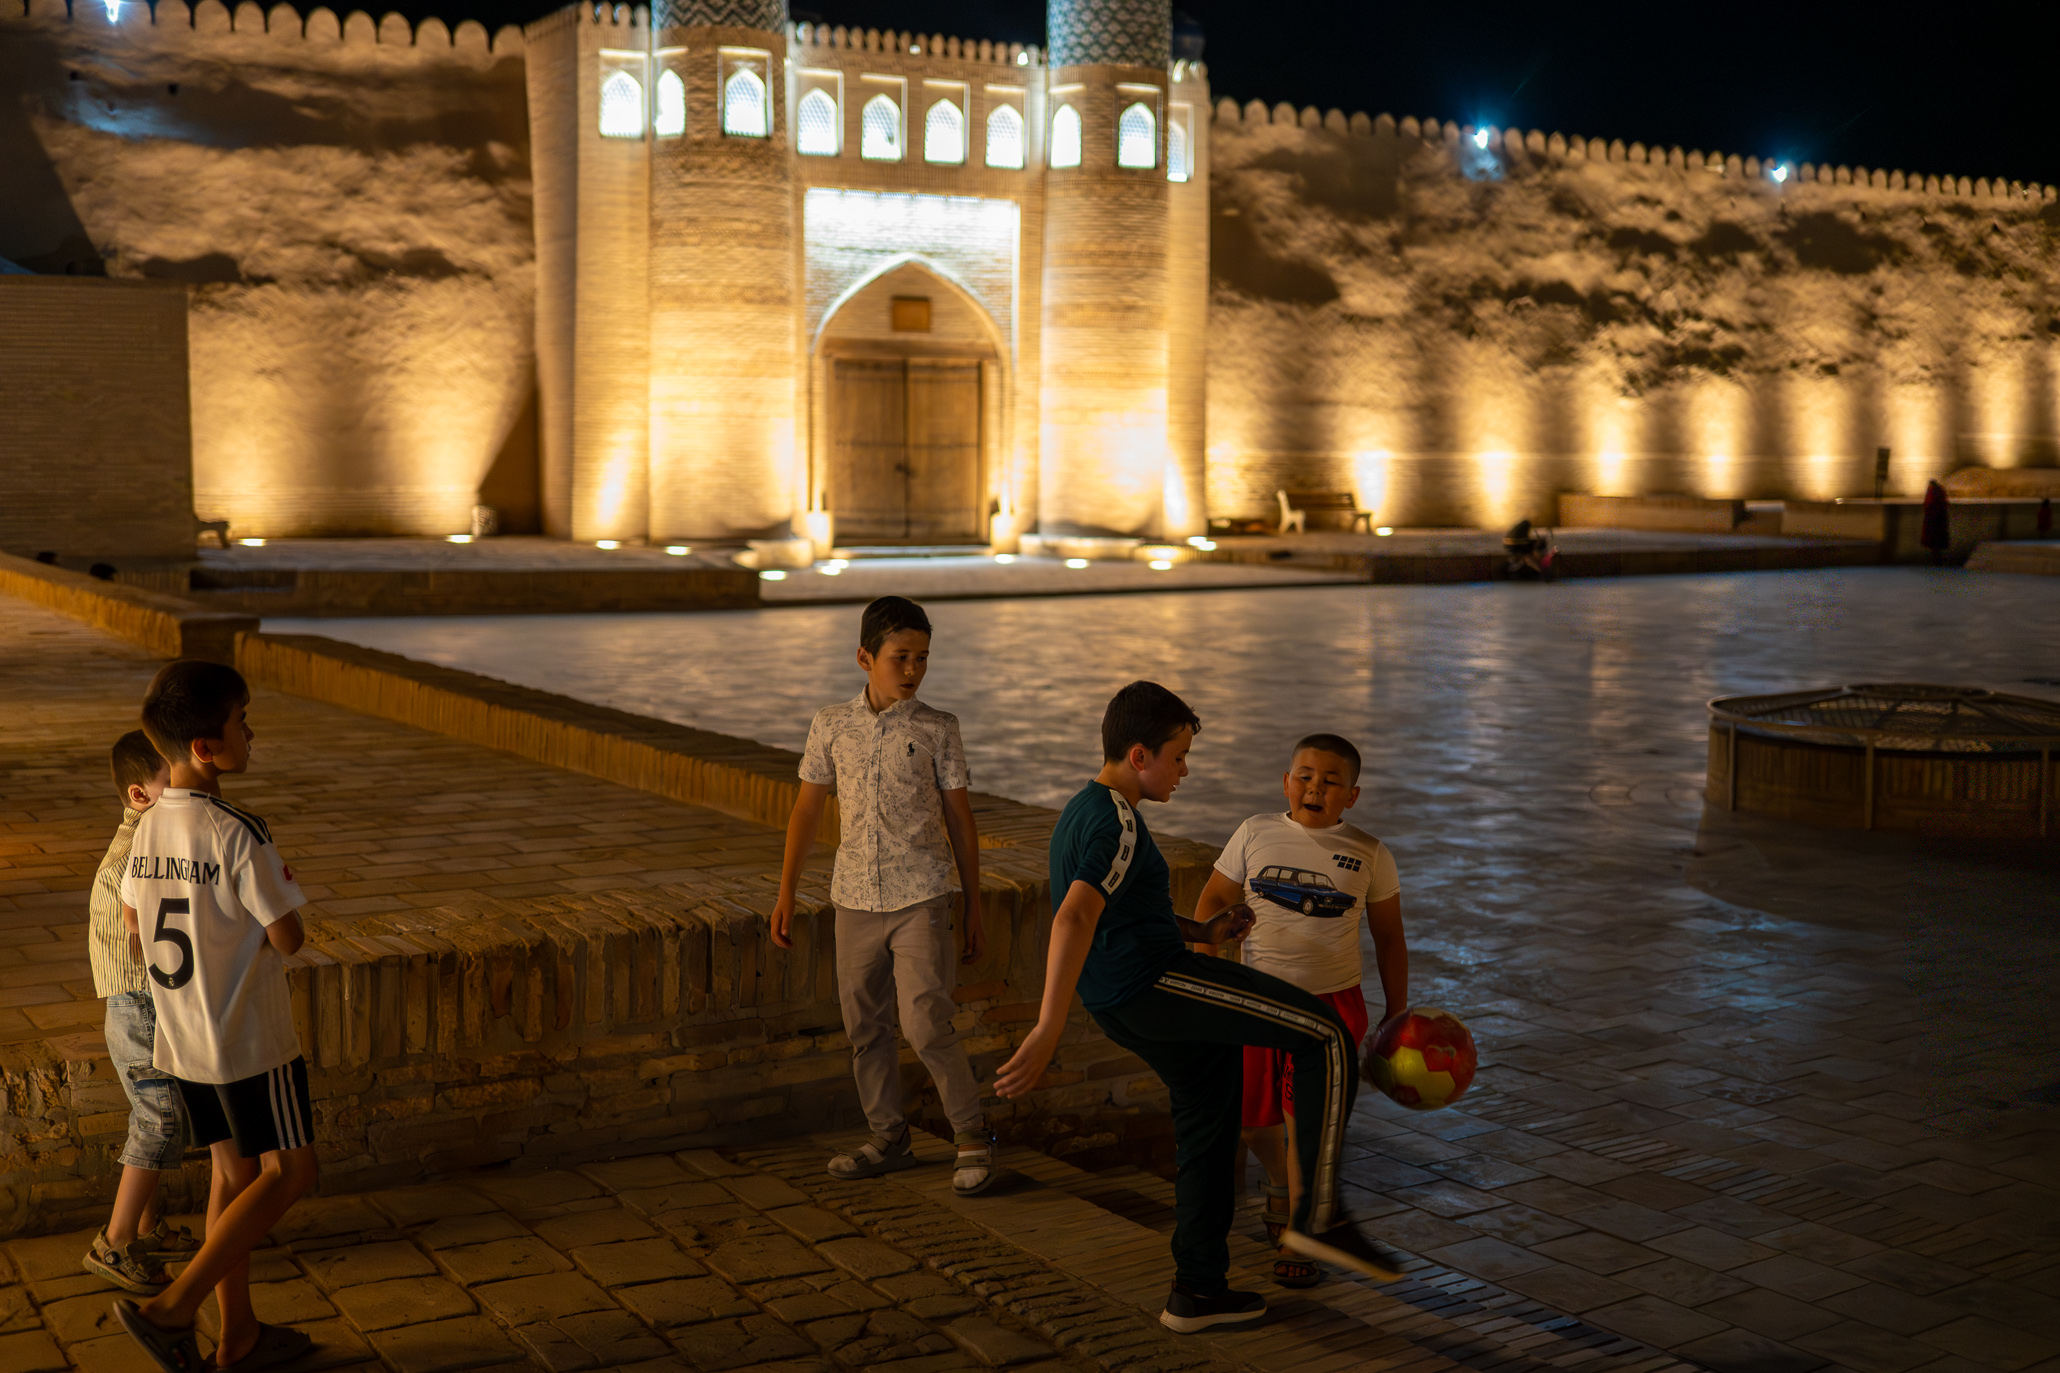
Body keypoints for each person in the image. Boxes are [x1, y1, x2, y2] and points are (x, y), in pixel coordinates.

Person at [995, 682, 1405, 1337]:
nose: (1186, 770)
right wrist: (1047, 1027)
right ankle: (1317, 1216)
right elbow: (1074, 914)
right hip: (1150, 986)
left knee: (1210, 1107)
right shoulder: (1118, 820)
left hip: (1130, 987)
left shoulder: (1083, 807)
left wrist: (1204, 932)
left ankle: (1199, 1289)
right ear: (1139, 754)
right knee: (1324, 1032)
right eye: (1179, 757)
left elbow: (1131, 909)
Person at [113, 661, 318, 1373]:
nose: (250, 733)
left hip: (185, 1039)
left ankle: (241, 1335)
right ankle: (173, 1308)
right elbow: (289, 935)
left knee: (230, 1179)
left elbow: (134, 917)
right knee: (292, 1171)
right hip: (250, 1039)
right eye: (242, 721)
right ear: (206, 745)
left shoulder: (148, 825)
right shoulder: (238, 830)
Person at [770, 596, 996, 1195]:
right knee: (864, 1027)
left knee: (926, 1024)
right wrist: (787, 892)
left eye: (923, 658)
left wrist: (972, 904)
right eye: (901, 657)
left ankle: (972, 1137)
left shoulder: (938, 728)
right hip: (852, 900)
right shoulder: (830, 725)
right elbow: (806, 809)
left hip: (922, 896)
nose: (914, 670)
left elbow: (961, 820)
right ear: (865, 658)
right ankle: (888, 1137)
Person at [1195, 733, 1407, 1288]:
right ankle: (1280, 1183)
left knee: (1306, 1122)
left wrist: (1397, 1015)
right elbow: (1214, 900)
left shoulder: (1369, 853)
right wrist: (1207, 965)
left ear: (1352, 796)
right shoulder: (1254, 832)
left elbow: (1390, 939)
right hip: (1256, 999)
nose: (1315, 786)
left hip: (1333, 1008)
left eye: (1331, 780)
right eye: (1305, 775)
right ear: (1286, 783)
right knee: (1251, 1121)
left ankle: (1300, 1230)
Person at [81, 731, 203, 1294]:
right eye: (170, 784)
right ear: (139, 793)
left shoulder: (140, 838)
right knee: (158, 1119)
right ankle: (115, 1241)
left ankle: (147, 1228)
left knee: (162, 1113)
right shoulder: (141, 853)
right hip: (139, 1005)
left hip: (135, 1002)